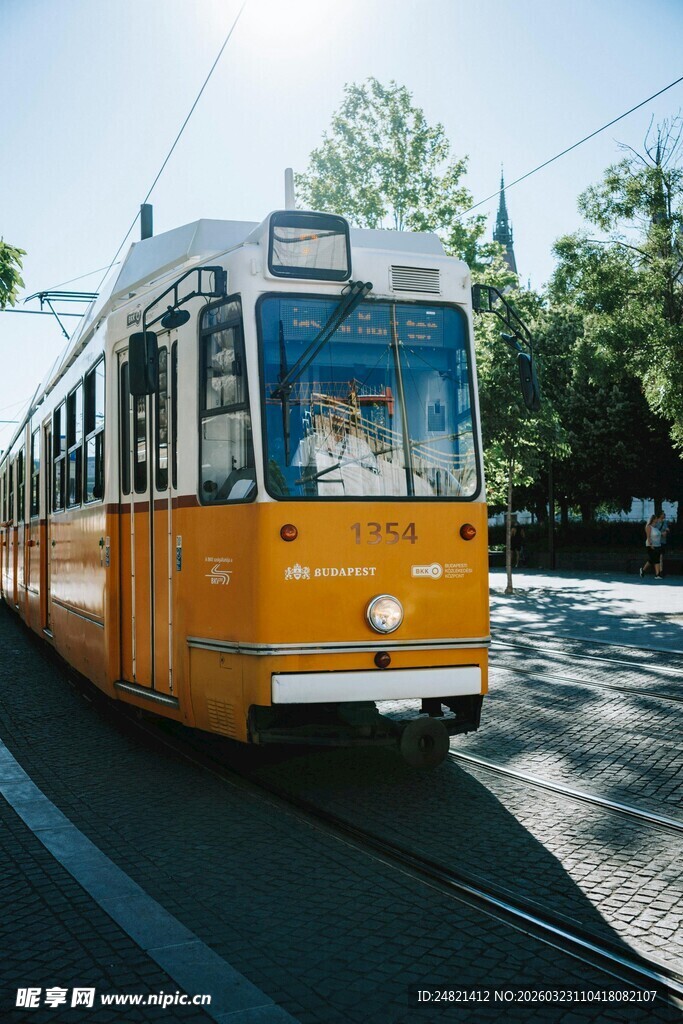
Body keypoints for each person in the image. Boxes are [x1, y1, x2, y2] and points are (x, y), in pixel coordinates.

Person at [640, 513, 663, 579]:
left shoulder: (656, 527)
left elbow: (659, 534)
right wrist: (650, 545)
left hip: (658, 545)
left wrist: (663, 534)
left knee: (653, 560)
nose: (657, 520)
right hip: (651, 545)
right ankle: (657, 574)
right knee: (654, 560)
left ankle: (644, 571)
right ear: (653, 519)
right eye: (656, 519)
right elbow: (648, 537)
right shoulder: (648, 527)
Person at [658, 512, 670, 577]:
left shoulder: (665, 522)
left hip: (663, 542)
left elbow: (667, 529)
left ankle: (661, 571)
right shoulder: (656, 522)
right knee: (659, 557)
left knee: (661, 557)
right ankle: (660, 571)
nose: (664, 515)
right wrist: (661, 534)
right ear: (660, 515)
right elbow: (654, 531)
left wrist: (666, 531)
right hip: (657, 542)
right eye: (663, 514)